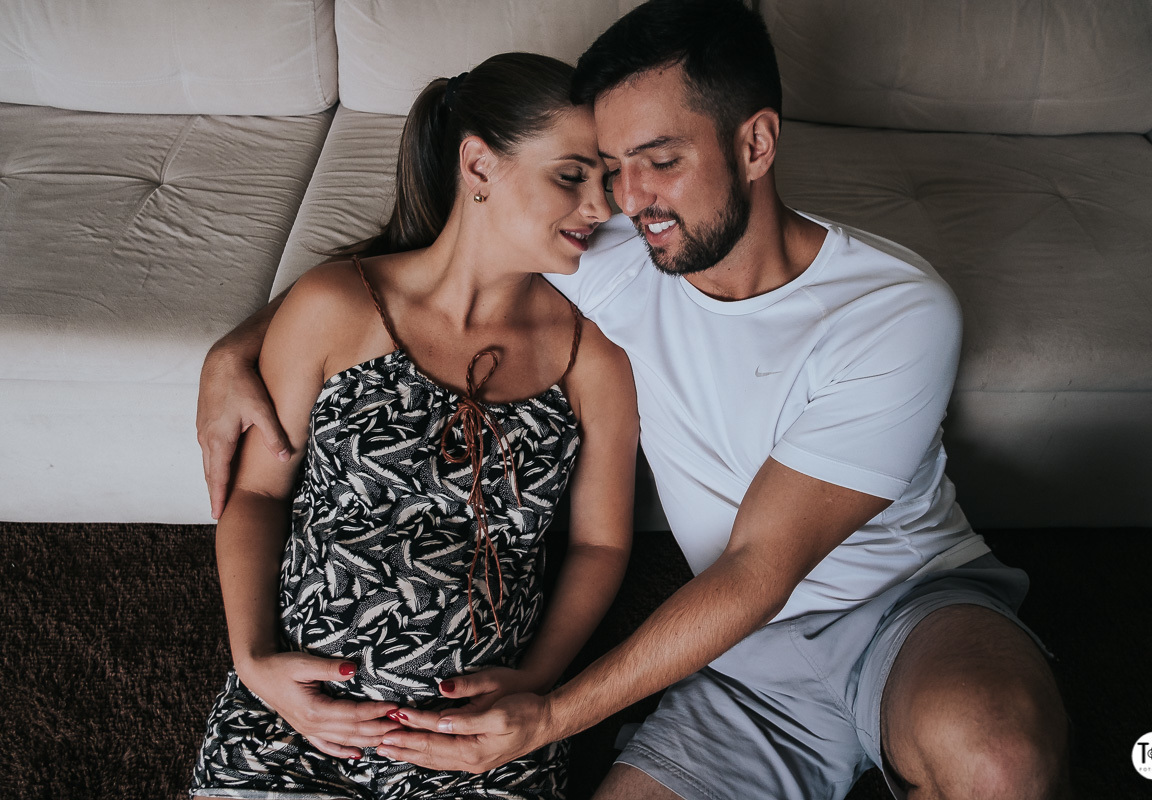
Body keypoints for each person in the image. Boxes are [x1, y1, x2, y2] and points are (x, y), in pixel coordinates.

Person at [198, 3, 1072, 799]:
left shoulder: (892, 310)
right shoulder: (616, 248)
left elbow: (758, 568)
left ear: (755, 145)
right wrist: (237, 347)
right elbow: (428, 264)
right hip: (737, 668)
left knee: (998, 761)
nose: (630, 201)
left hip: (904, 608)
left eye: (661, 161)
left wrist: (547, 713)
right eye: (613, 170)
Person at [190, 52, 638, 800]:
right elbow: (260, 496)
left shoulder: (592, 359)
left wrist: (536, 680)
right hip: (302, 717)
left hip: (476, 738)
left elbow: (600, 542)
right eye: (571, 176)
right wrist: (255, 662)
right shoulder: (337, 306)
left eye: (607, 182)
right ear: (479, 166)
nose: (601, 208)